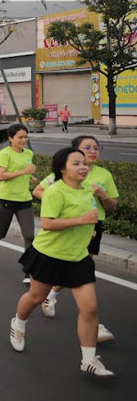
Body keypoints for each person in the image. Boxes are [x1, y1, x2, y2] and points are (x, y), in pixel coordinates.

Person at [9, 147, 112, 378]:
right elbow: (48, 224)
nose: (83, 167)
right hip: (49, 255)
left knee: (90, 308)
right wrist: (81, 221)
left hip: (78, 257)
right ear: (62, 168)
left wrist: (89, 228)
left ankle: (88, 360)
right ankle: (18, 323)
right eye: (76, 163)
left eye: (84, 163)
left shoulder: (89, 189)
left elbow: (93, 214)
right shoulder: (55, 191)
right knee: (36, 298)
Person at [33, 135, 117, 343]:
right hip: (66, 226)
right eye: (87, 147)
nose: (93, 151)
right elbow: (38, 191)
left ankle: (53, 298)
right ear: (74, 152)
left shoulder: (104, 175)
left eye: (96, 147)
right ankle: (91, 324)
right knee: (75, 271)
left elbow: (112, 206)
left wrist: (103, 195)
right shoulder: (63, 174)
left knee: (80, 269)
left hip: (91, 226)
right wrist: (64, 202)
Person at [0, 124, 37, 280]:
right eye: (20, 137)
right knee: (0, 233)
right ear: (11, 138)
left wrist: (30, 177)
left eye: (26, 137)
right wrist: (25, 172)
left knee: (30, 236)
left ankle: (28, 271)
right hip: (5, 200)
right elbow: (1, 176)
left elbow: (22, 172)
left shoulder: (28, 153)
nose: (24, 140)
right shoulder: (5, 154)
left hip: (24, 200)